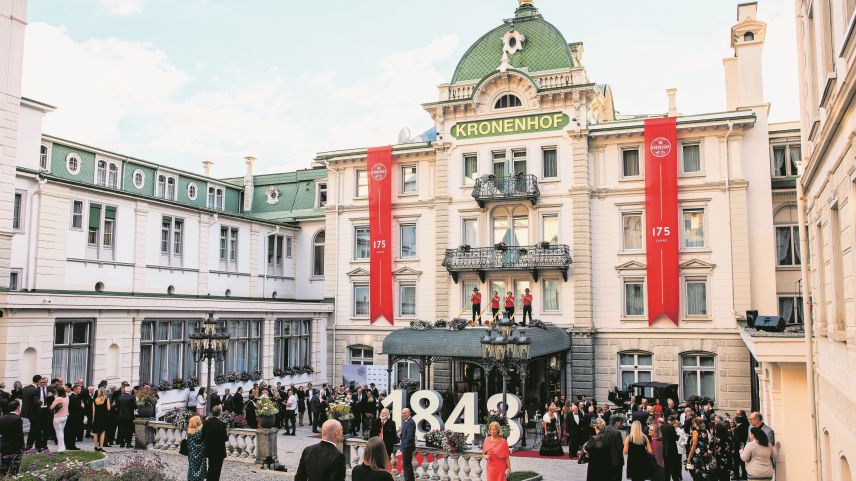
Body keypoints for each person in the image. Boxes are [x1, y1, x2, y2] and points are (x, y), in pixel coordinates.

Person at [203, 406, 228, 481]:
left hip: (209, 449)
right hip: (219, 450)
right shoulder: (222, 424)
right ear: (220, 413)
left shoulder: (206, 423)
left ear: (212, 413)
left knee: (210, 467)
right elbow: (225, 438)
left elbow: (203, 435)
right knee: (217, 469)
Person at [0, 400, 24, 476]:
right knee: (14, 468)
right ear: (18, 408)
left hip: (4, 444)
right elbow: (19, 434)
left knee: (3, 467)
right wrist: (22, 446)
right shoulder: (18, 419)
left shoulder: (2, 418)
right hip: (15, 446)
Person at [687, 417, 714, 481]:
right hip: (704, 454)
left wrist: (689, 456)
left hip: (697, 455)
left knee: (697, 473)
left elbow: (694, 445)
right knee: (704, 471)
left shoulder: (695, 432)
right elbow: (707, 442)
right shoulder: (705, 431)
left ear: (696, 423)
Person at [660, 415, 682, 481]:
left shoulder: (661, 426)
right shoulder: (671, 427)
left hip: (664, 449)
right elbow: (675, 438)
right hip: (671, 450)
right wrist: (678, 435)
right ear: (672, 421)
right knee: (673, 467)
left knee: (666, 467)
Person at [604, 415, 625, 481]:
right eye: (620, 422)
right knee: (616, 477)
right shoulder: (617, 432)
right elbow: (620, 447)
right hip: (616, 459)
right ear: (616, 422)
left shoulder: (605, 428)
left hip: (606, 457)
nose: (620, 423)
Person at [186, 416, 207, 481]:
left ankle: (191, 479)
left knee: (192, 468)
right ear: (196, 422)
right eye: (199, 419)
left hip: (192, 454)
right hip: (200, 454)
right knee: (200, 468)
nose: (201, 420)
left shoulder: (189, 432)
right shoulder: (200, 432)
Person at [49, 386, 69, 452]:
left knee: (58, 433)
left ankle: (61, 448)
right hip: (65, 416)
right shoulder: (66, 398)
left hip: (58, 417)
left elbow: (51, 407)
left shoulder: (58, 399)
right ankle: (62, 446)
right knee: (61, 432)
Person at [399, 408, 416, 481]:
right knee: (407, 466)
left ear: (409, 413)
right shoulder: (408, 421)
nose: (403, 415)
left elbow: (410, 436)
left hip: (407, 448)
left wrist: (405, 447)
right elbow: (406, 435)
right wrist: (401, 434)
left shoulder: (410, 422)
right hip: (407, 448)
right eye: (402, 413)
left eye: (405, 413)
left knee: (406, 466)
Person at [91, 387, 110, 452]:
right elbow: (108, 408)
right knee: (102, 432)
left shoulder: (94, 400)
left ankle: (96, 446)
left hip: (96, 417)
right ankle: (101, 447)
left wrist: (93, 419)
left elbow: (93, 411)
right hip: (104, 417)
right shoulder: (106, 399)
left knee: (95, 432)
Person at [65, 385, 83, 450]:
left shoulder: (70, 396)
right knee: (73, 432)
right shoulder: (76, 397)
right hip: (75, 417)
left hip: (70, 416)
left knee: (70, 431)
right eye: (79, 389)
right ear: (75, 389)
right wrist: (82, 406)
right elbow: (78, 408)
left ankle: (68, 445)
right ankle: (72, 446)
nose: (80, 390)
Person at [733, 410, 749, 480]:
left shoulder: (740, 425)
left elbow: (737, 438)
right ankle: (743, 475)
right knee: (742, 462)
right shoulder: (746, 423)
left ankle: (737, 476)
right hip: (743, 443)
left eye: (737, 414)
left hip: (739, 445)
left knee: (737, 461)